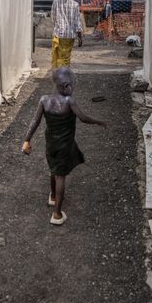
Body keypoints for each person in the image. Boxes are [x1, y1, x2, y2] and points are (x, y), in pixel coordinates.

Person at [21, 67, 105, 225]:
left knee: (54, 169)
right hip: (64, 145)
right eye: (72, 85)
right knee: (60, 175)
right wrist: (99, 122)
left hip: (51, 143)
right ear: (65, 86)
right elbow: (83, 118)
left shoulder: (44, 100)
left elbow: (35, 121)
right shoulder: (69, 101)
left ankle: (53, 196)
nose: (73, 88)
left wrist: (27, 139)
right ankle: (57, 214)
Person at [50, 0, 83, 68]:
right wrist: (80, 37)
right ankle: (64, 73)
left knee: (58, 56)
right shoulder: (75, 5)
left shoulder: (55, 2)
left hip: (58, 34)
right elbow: (77, 22)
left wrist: (56, 26)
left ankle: (59, 73)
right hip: (70, 36)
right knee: (66, 57)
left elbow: (53, 18)